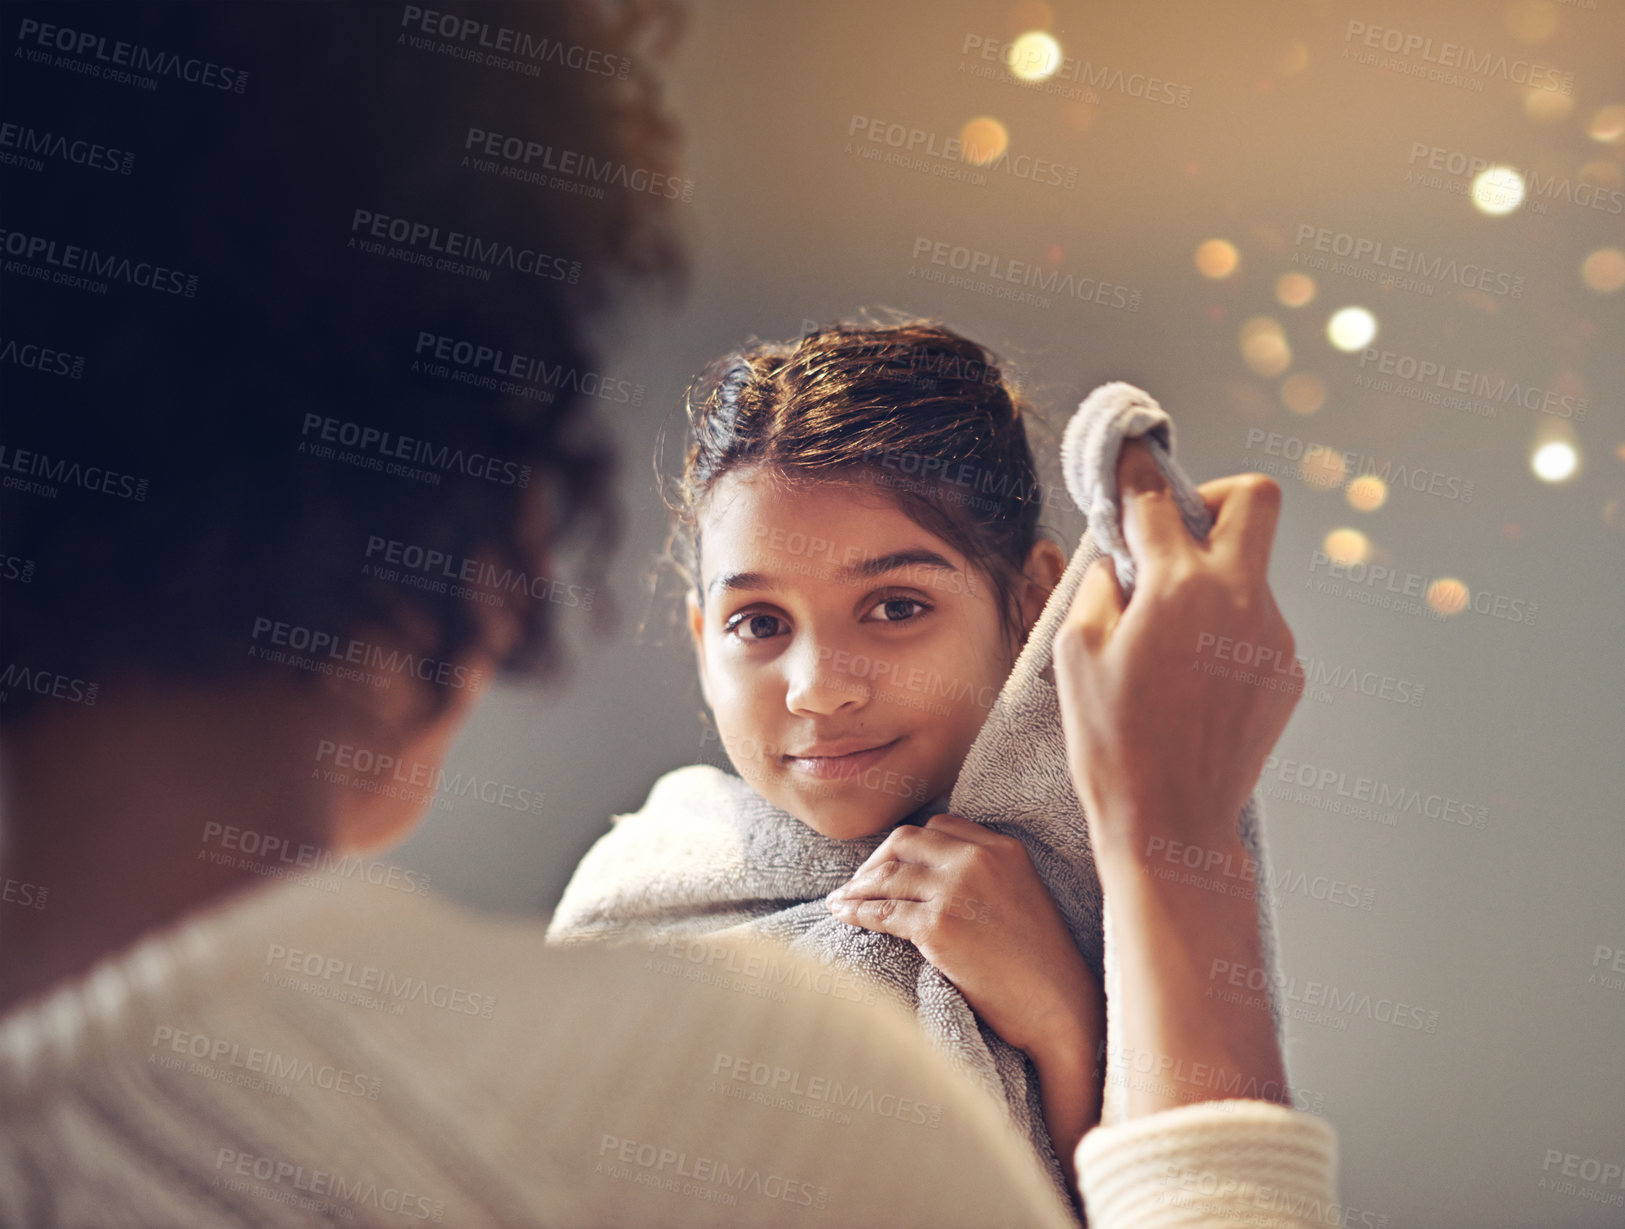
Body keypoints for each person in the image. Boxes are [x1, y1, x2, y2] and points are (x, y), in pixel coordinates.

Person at [0, 2, 1338, 1225]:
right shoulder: (714, 1040)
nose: (819, 685)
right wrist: (1178, 842)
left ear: (1032, 597)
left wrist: (1058, 1010)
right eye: (759, 622)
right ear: (494, 547)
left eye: (893, 603)